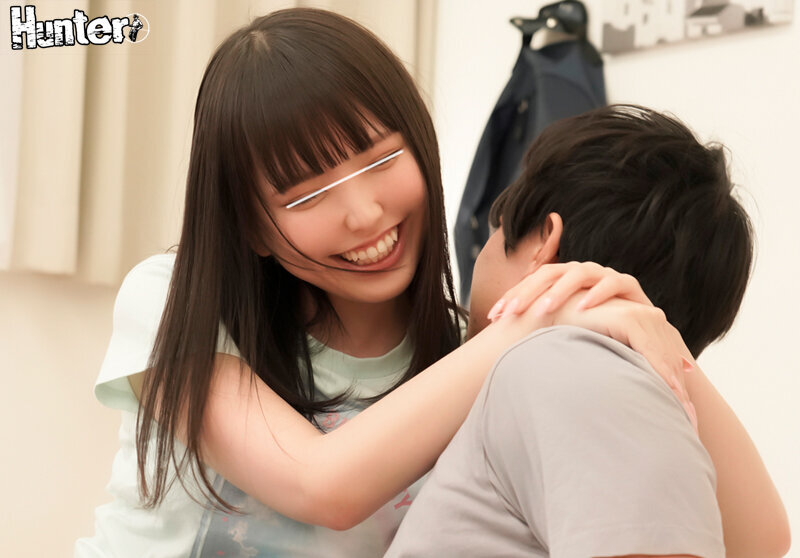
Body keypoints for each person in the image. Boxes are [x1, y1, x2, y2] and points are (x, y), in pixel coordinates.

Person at [74, 9, 786, 558]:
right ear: (252, 228)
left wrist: (640, 321)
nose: (363, 213)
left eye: (380, 160)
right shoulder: (174, 300)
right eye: (305, 195)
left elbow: (759, 539)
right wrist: (537, 316)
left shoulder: (463, 352)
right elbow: (321, 485)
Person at [386, 106, 790, 558]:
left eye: (496, 230)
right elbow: (764, 540)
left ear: (544, 242)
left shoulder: (557, 365)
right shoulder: (595, 386)